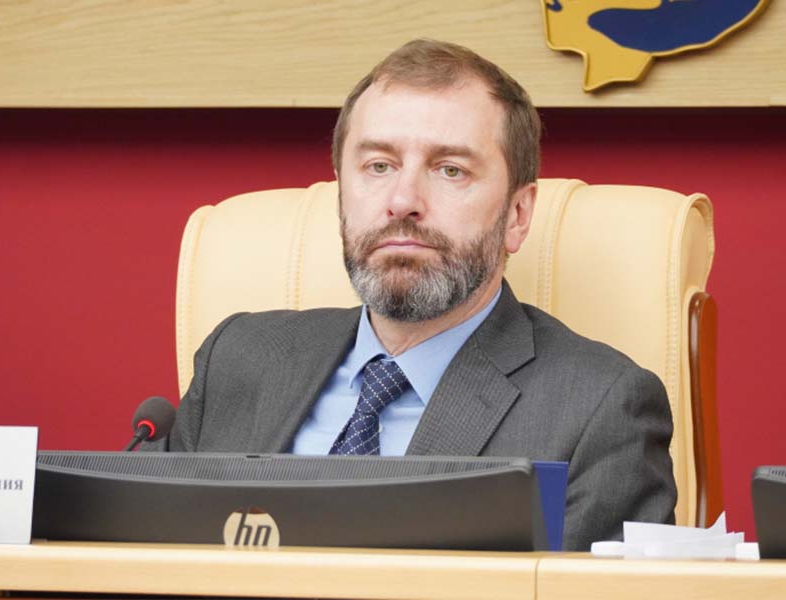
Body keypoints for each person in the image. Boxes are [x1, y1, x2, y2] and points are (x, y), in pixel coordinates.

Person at [151, 39, 676, 551]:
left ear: (517, 215)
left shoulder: (600, 410)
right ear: (342, 193)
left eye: (451, 170)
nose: (403, 201)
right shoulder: (236, 360)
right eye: (378, 166)